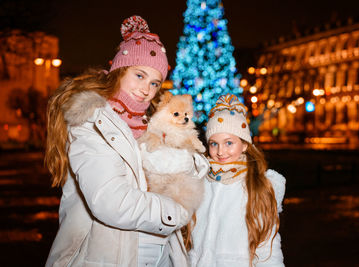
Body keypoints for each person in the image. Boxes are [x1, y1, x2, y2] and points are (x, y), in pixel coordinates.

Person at [44, 15, 207, 267]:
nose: (146, 89)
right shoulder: (92, 121)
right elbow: (111, 201)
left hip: (160, 256)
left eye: (155, 82)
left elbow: (195, 165)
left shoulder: (154, 123)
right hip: (106, 257)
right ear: (119, 71)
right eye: (139, 75)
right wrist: (176, 211)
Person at [189, 94, 286, 266]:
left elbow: (267, 248)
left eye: (229, 143)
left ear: (245, 144)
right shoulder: (198, 181)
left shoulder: (257, 186)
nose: (220, 152)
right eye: (213, 143)